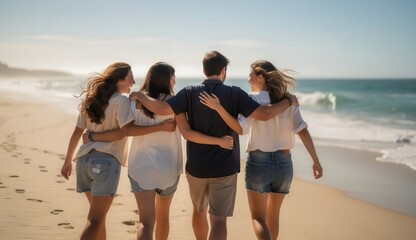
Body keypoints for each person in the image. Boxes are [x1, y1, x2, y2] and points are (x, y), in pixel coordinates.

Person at [129, 51, 298, 240]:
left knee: (199, 212)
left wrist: (139, 95)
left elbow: (161, 109)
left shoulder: (189, 92)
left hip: (197, 167)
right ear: (223, 71)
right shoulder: (235, 93)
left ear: (203, 70)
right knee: (219, 221)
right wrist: (288, 101)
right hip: (225, 167)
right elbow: (265, 114)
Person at [84, 62, 234, 240]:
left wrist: (93, 136)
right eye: (174, 77)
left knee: (145, 223)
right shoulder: (177, 103)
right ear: (169, 80)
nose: (175, 80)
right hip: (168, 168)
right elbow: (188, 131)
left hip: (140, 166)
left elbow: (123, 129)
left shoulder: (134, 102)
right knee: (163, 217)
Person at [199, 60, 323, 240]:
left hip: (259, 162)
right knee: (273, 217)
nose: (248, 79)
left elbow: (240, 128)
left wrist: (219, 109)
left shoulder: (252, 99)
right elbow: (302, 130)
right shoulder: (288, 100)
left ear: (260, 77)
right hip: (284, 163)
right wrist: (316, 160)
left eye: (250, 75)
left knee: (258, 218)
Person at [60, 62, 136, 240]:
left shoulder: (90, 100)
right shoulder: (121, 101)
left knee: (98, 219)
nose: (133, 81)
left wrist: (67, 161)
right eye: (130, 77)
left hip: (83, 162)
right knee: (95, 220)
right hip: (105, 164)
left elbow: (78, 132)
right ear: (119, 80)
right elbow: (123, 132)